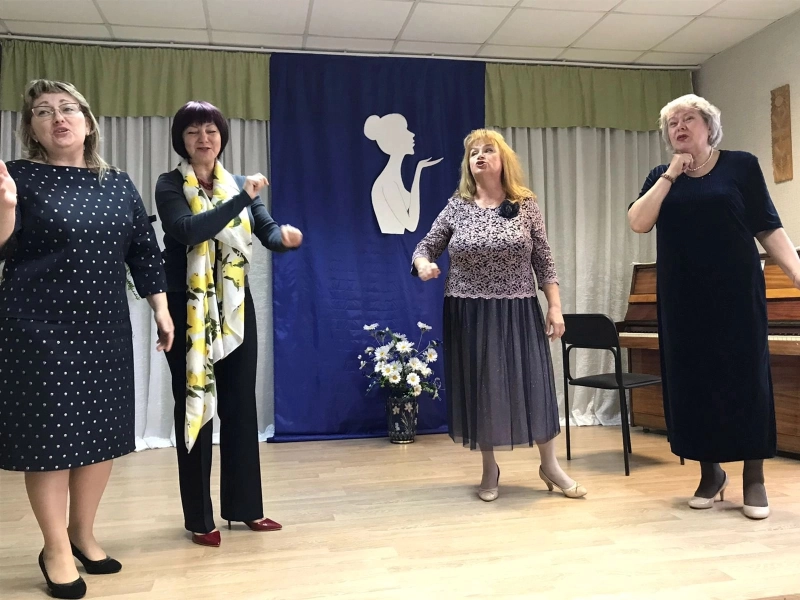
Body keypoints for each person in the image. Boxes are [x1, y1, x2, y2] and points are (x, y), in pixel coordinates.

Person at [0, 79, 174, 599]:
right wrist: (6, 208)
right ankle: (55, 548)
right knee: (50, 442)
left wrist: (161, 308)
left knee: (100, 436)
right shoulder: (18, 177)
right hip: (37, 328)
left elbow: (143, 250)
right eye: (43, 111)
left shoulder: (117, 183)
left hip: (103, 327)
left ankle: (82, 533)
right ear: (30, 128)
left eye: (68, 108)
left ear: (88, 121)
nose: (58, 118)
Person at [628, 94, 800, 519]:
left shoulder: (741, 166)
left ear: (709, 126)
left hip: (736, 294)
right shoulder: (660, 176)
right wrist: (671, 175)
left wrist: (798, 274)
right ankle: (711, 473)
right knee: (692, 383)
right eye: (672, 123)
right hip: (682, 299)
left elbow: (767, 226)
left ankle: (754, 476)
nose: (680, 127)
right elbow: (638, 222)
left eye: (688, 119)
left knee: (748, 380)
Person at [155, 100, 302, 547]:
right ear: (181, 140)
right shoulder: (170, 184)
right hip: (187, 308)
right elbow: (188, 229)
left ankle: (245, 508)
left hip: (235, 307)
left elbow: (266, 228)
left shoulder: (239, 184)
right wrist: (242, 198)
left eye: (212, 131)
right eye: (193, 131)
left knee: (239, 406)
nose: (204, 138)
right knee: (195, 404)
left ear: (222, 138)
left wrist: (284, 238)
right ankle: (200, 519)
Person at [411, 129, 587, 502]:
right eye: (473, 152)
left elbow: (544, 259)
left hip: (518, 306)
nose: (479, 155)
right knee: (482, 386)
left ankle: (550, 465)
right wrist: (423, 264)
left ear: (503, 158)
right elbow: (425, 246)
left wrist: (555, 306)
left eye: (488, 149)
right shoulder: (457, 206)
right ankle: (489, 467)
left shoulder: (526, 204)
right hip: (468, 309)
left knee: (534, 382)